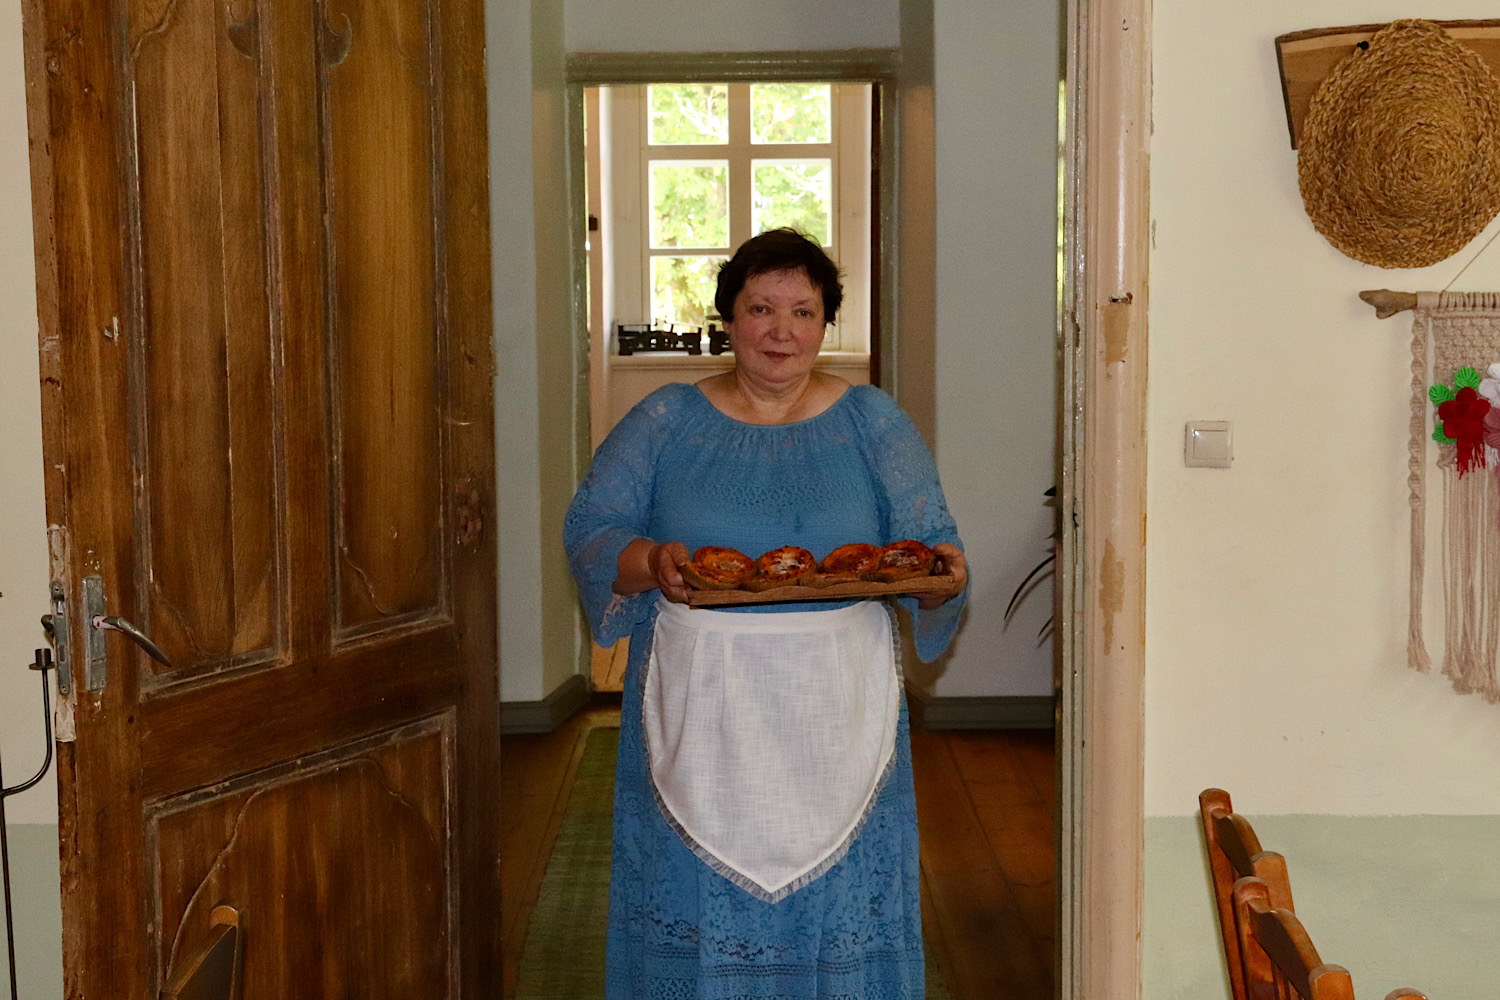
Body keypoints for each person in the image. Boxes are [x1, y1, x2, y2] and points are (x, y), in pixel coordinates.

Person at [564, 228, 968, 999]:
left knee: (838, 888)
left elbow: (929, 546)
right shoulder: (665, 418)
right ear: (728, 318)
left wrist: (941, 580)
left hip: (838, 704)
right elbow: (592, 529)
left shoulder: (873, 422)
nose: (782, 331)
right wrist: (651, 560)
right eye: (761, 309)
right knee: (698, 890)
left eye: (803, 312)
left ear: (826, 323)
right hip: (701, 699)